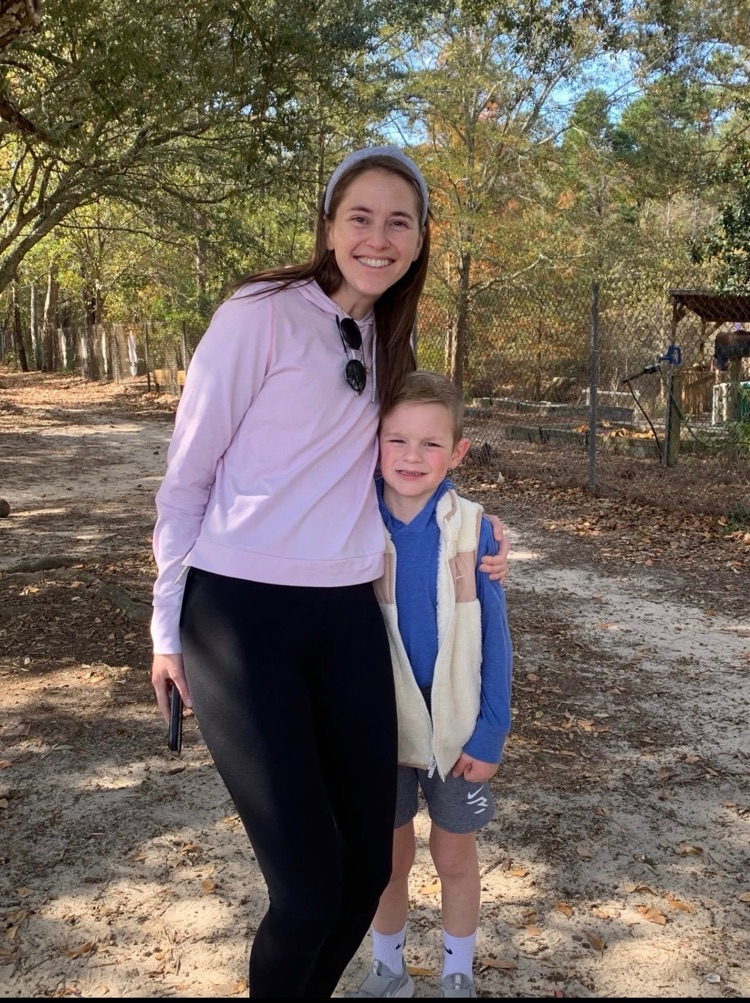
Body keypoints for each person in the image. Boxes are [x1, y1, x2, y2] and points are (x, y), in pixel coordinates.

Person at [149, 146, 510, 999]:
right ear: (329, 225)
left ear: (420, 241)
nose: (378, 237)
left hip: (348, 615)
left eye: (399, 222)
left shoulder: (390, 339)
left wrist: (478, 524)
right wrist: (167, 626)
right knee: (308, 887)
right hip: (241, 618)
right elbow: (187, 476)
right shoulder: (260, 313)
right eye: (361, 216)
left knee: (362, 873)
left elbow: (410, 466)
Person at [348, 370, 513, 1000]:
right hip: (378, 731)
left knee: (454, 859)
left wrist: (492, 730)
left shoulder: (478, 532)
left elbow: (495, 641)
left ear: (459, 451)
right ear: (375, 444)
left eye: (431, 444)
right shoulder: (349, 518)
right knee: (387, 864)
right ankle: (388, 970)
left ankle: (456, 975)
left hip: (458, 730)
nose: (412, 458)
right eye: (397, 442)